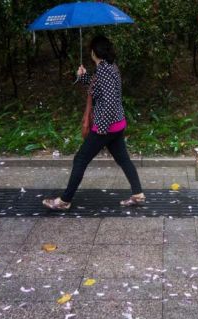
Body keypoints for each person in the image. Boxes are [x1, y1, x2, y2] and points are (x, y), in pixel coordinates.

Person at [43, 36, 145, 210]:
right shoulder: (109, 67)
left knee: (81, 159)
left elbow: (110, 100)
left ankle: (64, 201)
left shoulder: (104, 70)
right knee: (123, 159)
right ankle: (138, 194)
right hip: (117, 124)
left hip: (107, 126)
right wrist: (83, 77)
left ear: (94, 52)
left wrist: (101, 129)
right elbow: (98, 89)